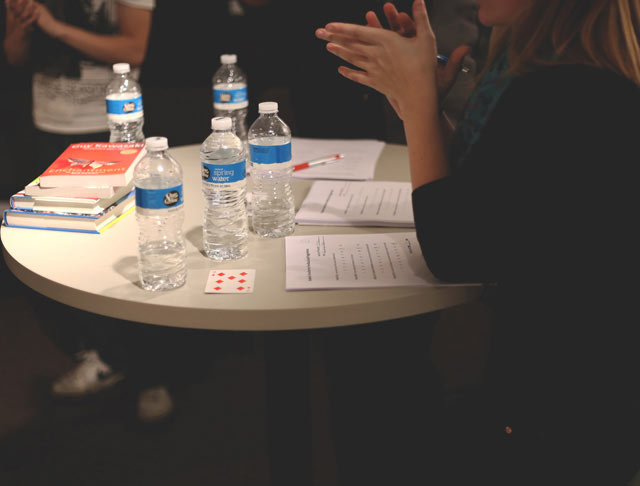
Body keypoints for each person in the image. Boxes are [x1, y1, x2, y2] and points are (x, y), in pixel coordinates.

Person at [316, 0, 640, 483]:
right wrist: (418, 101)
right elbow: (488, 200)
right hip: (547, 390)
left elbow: (456, 250)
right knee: (375, 371)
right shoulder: (539, 65)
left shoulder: (570, 87)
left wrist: (419, 105)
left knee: (373, 394)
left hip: (566, 419)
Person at [2, 0, 178, 424]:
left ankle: (151, 374)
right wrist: (23, 28)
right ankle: (102, 355)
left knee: (127, 256)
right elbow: (14, 55)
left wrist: (53, 26)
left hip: (111, 132)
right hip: (47, 128)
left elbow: (134, 50)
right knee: (51, 255)